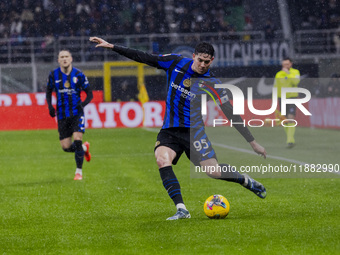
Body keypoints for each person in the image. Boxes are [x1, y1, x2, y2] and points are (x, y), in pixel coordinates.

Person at [90, 37, 267, 220]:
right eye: (200, 60)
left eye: (207, 62)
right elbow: (144, 57)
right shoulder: (175, 62)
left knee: (213, 171)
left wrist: (252, 142)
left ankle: (246, 180)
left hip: (194, 132)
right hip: (170, 130)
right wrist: (112, 47)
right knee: (161, 159)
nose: (203, 65)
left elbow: (229, 112)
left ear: (211, 61)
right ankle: (182, 209)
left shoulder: (212, 82)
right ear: (193, 57)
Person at [46, 50, 93, 180]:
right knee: (66, 147)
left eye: (66, 56)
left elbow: (90, 94)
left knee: (77, 140)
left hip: (77, 113)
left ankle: (79, 172)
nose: (64, 59)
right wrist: (50, 106)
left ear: (71, 59)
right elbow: (48, 91)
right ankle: (84, 148)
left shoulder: (79, 74)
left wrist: (82, 105)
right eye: (62, 57)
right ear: (58, 60)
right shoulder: (53, 75)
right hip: (61, 115)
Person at [274, 57, 300, 148]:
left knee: (291, 118)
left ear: (291, 64)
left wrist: (288, 74)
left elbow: (296, 82)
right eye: (284, 64)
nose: (285, 66)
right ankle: (290, 138)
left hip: (292, 97)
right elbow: (276, 86)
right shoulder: (279, 74)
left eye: (287, 64)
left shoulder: (295, 72)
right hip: (282, 98)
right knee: (284, 120)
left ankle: (290, 140)